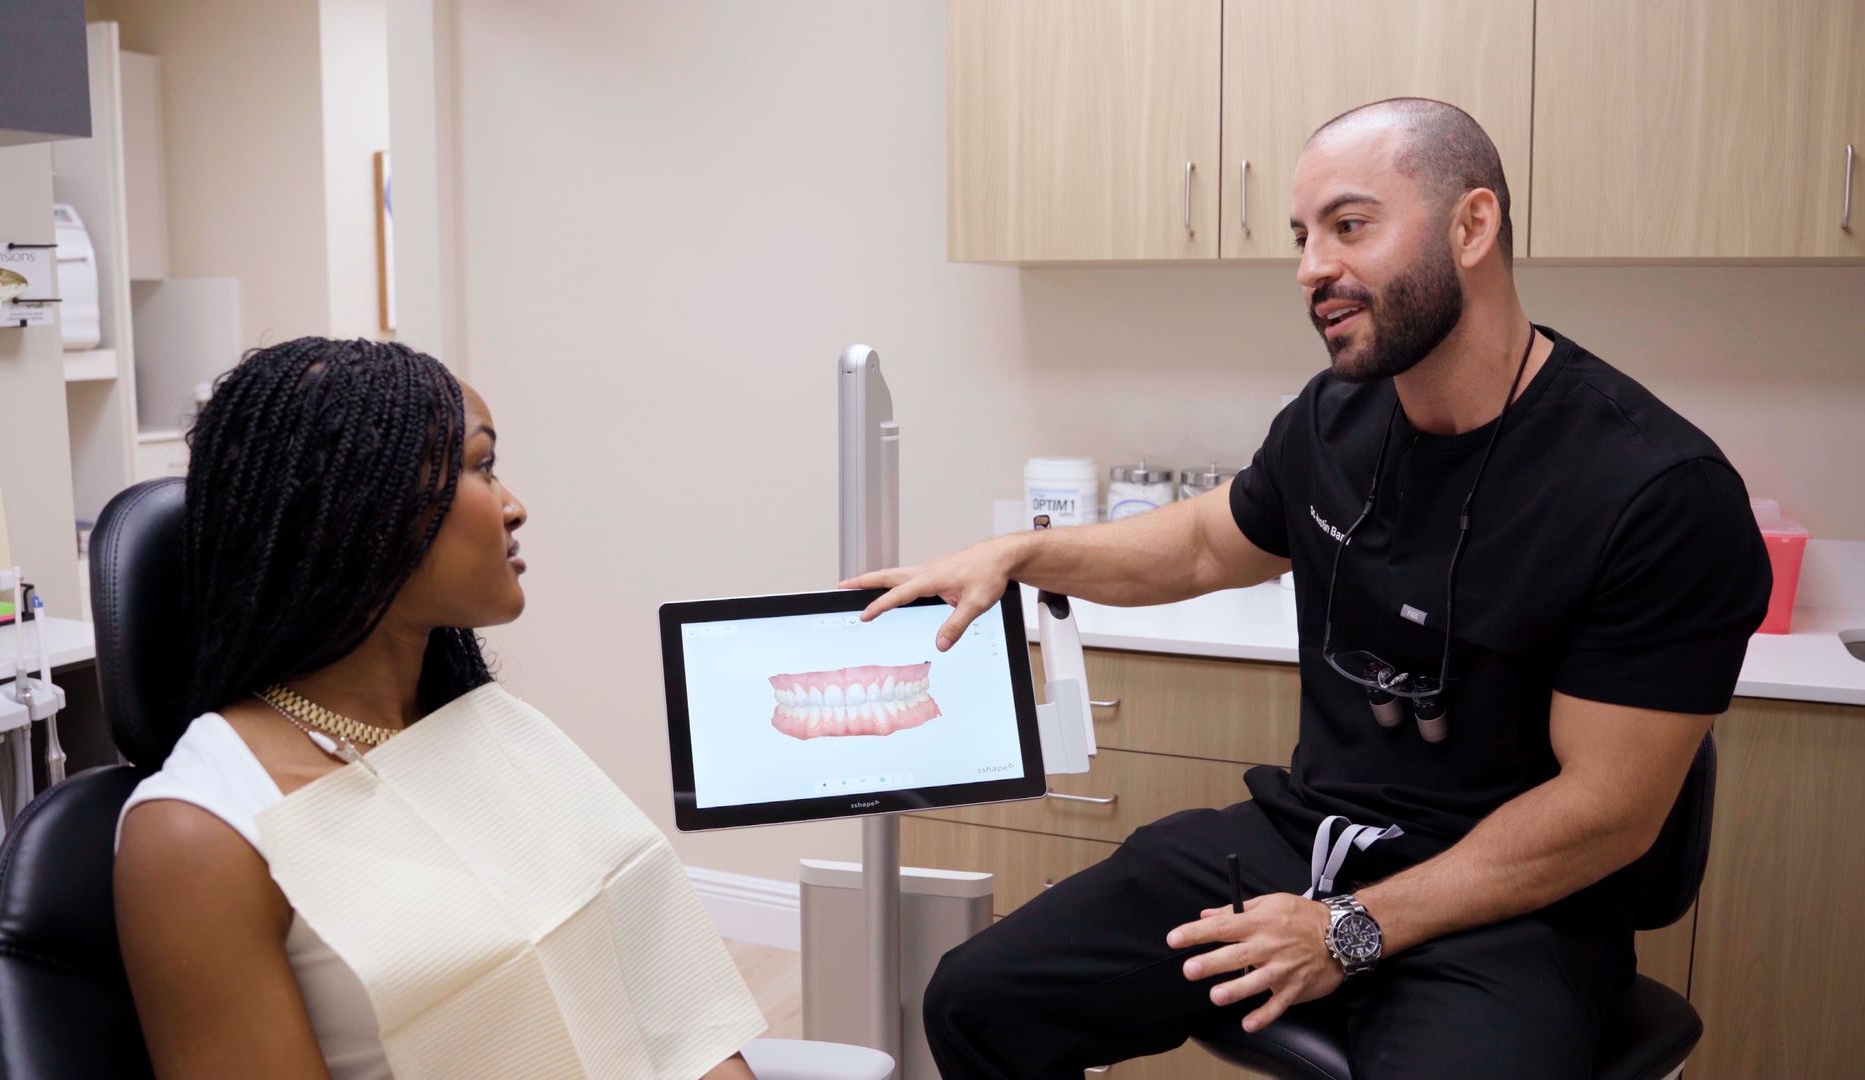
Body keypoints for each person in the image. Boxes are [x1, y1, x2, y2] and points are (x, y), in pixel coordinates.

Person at [844, 98, 1772, 1078]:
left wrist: (1349, 930)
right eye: (1302, 236)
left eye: (1350, 224)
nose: (1310, 268)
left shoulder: (1654, 489)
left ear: (1472, 226)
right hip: (1304, 840)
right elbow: (1206, 544)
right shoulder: (1335, 418)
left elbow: (1608, 811)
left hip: (1508, 911)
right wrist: (1020, 559)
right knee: (979, 1003)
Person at [113, 339, 760, 1079]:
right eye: (482, 466)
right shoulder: (200, 831)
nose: (515, 506)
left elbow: (680, 1032)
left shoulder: (489, 729)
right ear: (361, 511)